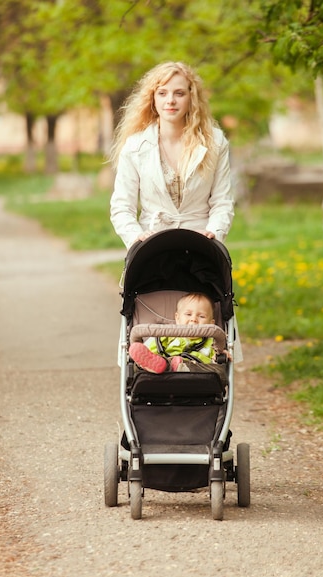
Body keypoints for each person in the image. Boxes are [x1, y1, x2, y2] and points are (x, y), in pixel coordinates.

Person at [109, 61, 235, 249]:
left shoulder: (215, 142)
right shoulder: (135, 146)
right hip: (151, 248)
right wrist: (137, 238)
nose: (170, 100)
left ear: (191, 97)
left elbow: (222, 201)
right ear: (153, 98)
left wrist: (214, 233)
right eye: (162, 93)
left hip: (201, 246)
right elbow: (121, 207)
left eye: (179, 93)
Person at [129, 293, 230, 383]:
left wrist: (221, 353)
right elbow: (147, 352)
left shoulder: (212, 341)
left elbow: (216, 358)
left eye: (201, 316)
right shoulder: (165, 335)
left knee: (220, 373)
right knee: (142, 364)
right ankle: (165, 366)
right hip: (163, 369)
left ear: (211, 323)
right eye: (188, 314)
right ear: (177, 318)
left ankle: (179, 367)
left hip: (197, 374)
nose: (193, 319)